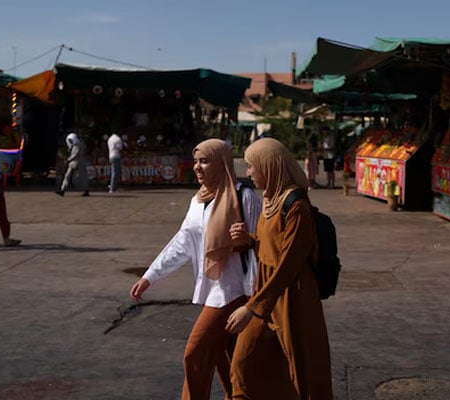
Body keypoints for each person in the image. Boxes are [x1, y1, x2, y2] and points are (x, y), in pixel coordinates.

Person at [129, 138, 262, 400]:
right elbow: (182, 242)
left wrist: (254, 294)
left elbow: (265, 245)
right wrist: (150, 276)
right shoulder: (198, 200)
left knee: (195, 354)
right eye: (196, 161)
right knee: (227, 360)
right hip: (209, 290)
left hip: (234, 291)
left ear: (221, 162)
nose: (198, 167)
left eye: (205, 161)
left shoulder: (243, 197)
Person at [226, 138, 333, 399]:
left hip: (292, 297)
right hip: (266, 294)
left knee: (301, 371)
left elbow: (288, 263)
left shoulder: (296, 206)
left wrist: (251, 308)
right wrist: (248, 241)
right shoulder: (270, 199)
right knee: (242, 365)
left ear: (270, 166)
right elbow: (270, 245)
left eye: (252, 166)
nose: (249, 172)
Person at [56, 132, 89, 197]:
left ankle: (62, 190)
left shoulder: (77, 145)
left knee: (68, 176)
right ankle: (86, 190)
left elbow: (74, 155)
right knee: (83, 177)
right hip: (81, 162)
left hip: (75, 162)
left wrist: (68, 160)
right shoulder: (79, 144)